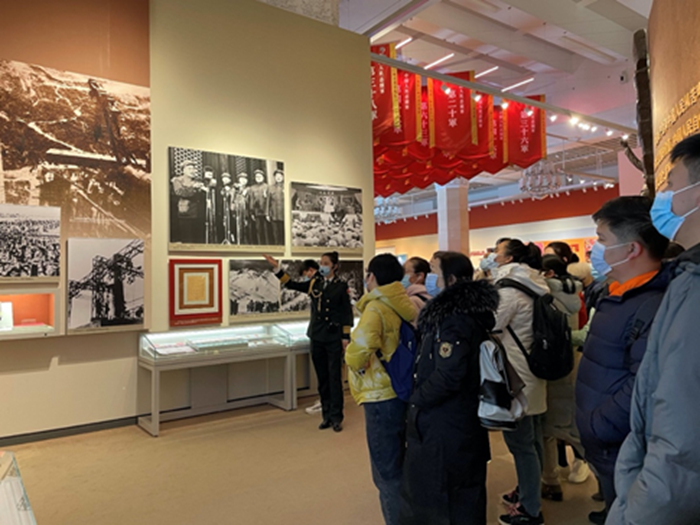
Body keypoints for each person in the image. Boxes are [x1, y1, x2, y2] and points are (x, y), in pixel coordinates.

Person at [607, 134, 700, 525]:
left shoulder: (692, 287)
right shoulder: (685, 277)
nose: (663, 197)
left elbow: (682, 438)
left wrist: (636, 512)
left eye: (672, 184)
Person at [574, 196, 670, 525]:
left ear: (631, 249)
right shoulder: (617, 292)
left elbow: (644, 383)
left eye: (602, 240)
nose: (595, 249)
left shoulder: (652, 303)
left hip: (620, 444)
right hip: (606, 444)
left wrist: (597, 424)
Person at [399, 252, 498, 525]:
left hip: (448, 421)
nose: (430, 278)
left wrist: (417, 399)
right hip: (458, 418)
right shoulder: (461, 313)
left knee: (447, 494)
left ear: (451, 279)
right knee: (460, 490)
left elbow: (449, 375)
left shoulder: (454, 319)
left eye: (434, 271)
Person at [345, 254, 417, 525]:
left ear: (372, 276)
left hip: (379, 394)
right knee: (401, 461)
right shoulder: (403, 303)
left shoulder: (375, 308)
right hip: (400, 388)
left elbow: (359, 352)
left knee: (385, 471)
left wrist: (349, 355)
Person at [491, 239, 548, 525]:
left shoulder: (509, 290)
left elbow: (491, 325)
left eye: (497, 251)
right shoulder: (535, 283)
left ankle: (530, 509)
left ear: (509, 258)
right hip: (533, 370)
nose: (492, 256)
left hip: (516, 376)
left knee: (521, 444)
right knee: (533, 439)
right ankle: (529, 490)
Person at [264, 252, 353, 431]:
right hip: (317, 336)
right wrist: (277, 268)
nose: (322, 265)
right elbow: (291, 284)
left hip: (334, 336)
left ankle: (336, 417)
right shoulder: (315, 283)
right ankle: (326, 416)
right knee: (322, 378)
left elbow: (346, 313)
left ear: (334, 266)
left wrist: (345, 337)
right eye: (321, 262)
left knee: (334, 378)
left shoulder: (341, 286)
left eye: (326, 263)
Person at [539, 255, 589, 502]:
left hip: (549, 366)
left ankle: (550, 481)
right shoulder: (576, 294)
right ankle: (603, 480)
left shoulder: (544, 297)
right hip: (573, 363)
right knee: (573, 426)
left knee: (547, 430)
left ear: (548, 273)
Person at [171, 159, 206, 243]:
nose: (192, 171)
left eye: (193, 169)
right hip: (186, 214)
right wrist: (193, 188)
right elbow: (180, 192)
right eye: (189, 168)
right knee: (187, 240)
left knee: (198, 240)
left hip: (199, 214)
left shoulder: (197, 181)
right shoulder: (178, 180)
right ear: (183, 170)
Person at [248, 169, 269, 245]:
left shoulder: (267, 187)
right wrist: (252, 212)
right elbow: (251, 200)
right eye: (257, 176)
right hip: (257, 212)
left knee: (266, 231)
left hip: (265, 212)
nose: (258, 178)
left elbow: (269, 200)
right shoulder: (252, 188)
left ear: (263, 177)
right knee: (258, 230)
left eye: (260, 176)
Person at [266, 169, 285, 245]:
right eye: (277, 176)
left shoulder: (287, 187)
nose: (278, 178)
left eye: (280, 176)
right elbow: (268, 201)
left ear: (283, 177)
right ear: (274, 177)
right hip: (274, 214)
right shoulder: (271, 188)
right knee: (275, 233)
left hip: (284, 215)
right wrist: (267, 214)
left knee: (284, 233)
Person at [232, 173, 249, 245]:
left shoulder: (248, 189)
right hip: (238, 210)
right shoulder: (235, 188)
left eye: (244, 179)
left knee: (246, 227)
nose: (243, 181)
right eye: (241, 179)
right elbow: (232, 200)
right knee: (238, 227)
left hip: (246, 210)